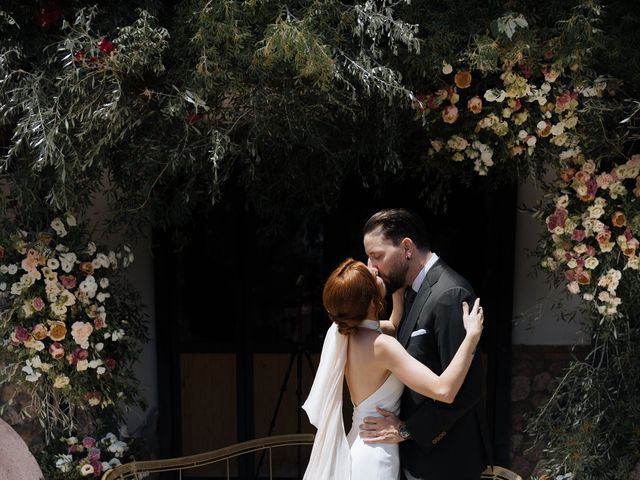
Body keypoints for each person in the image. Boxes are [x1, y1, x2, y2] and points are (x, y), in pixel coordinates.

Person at [302, 258, 483, 479]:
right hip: (377, 455)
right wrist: (471, 338)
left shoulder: (347, 334)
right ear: (371, 300)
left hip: (358, 443)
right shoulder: (382, 346)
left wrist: (397, 290)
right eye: (373, 276)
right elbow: (444, 390)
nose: (375, 269)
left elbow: (394, 325)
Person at [361, 208, 492, 480]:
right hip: (418, 459)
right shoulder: (411, 290)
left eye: (377, 256)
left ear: (407, 247)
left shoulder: (449, 294)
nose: (371, 267)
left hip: (447, 462)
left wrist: (407, 430)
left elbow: (465, 390)